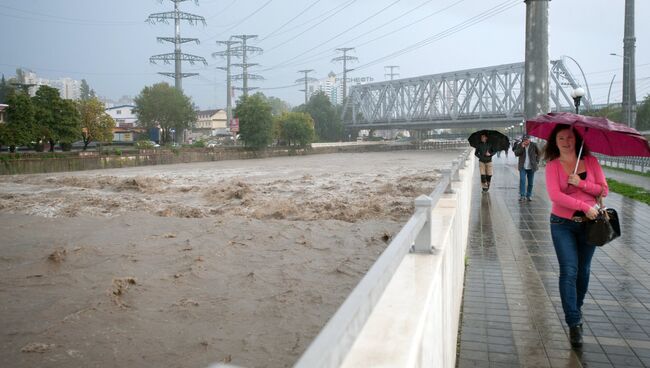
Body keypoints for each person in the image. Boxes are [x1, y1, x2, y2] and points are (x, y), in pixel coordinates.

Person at [544, 124, 608, 349]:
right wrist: (583, 204)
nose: (566, 141)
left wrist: (580, 183)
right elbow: (555, 195)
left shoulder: (590, 161)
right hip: (562, 224)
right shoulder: (552, 166)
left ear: (576, 139)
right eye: (561, 137)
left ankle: (576, 308)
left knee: (583, 272)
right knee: (569, 271)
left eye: (569, 137)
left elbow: (604, 190)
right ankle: (574, 322)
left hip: (589, 225)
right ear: (555, 141)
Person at [514, 135, 540, 201]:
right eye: (524, 140)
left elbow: (539, 153)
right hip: (523, 166)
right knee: (522, 180)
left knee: (530, 182)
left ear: (529, 140)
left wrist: (537, 161)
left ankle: (529, 195)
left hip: (531, 167)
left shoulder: (533, 145)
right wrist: (522, 147)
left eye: (527, 140)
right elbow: (516, 153)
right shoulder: (520, 145)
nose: (526, 141)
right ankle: (522, 195)